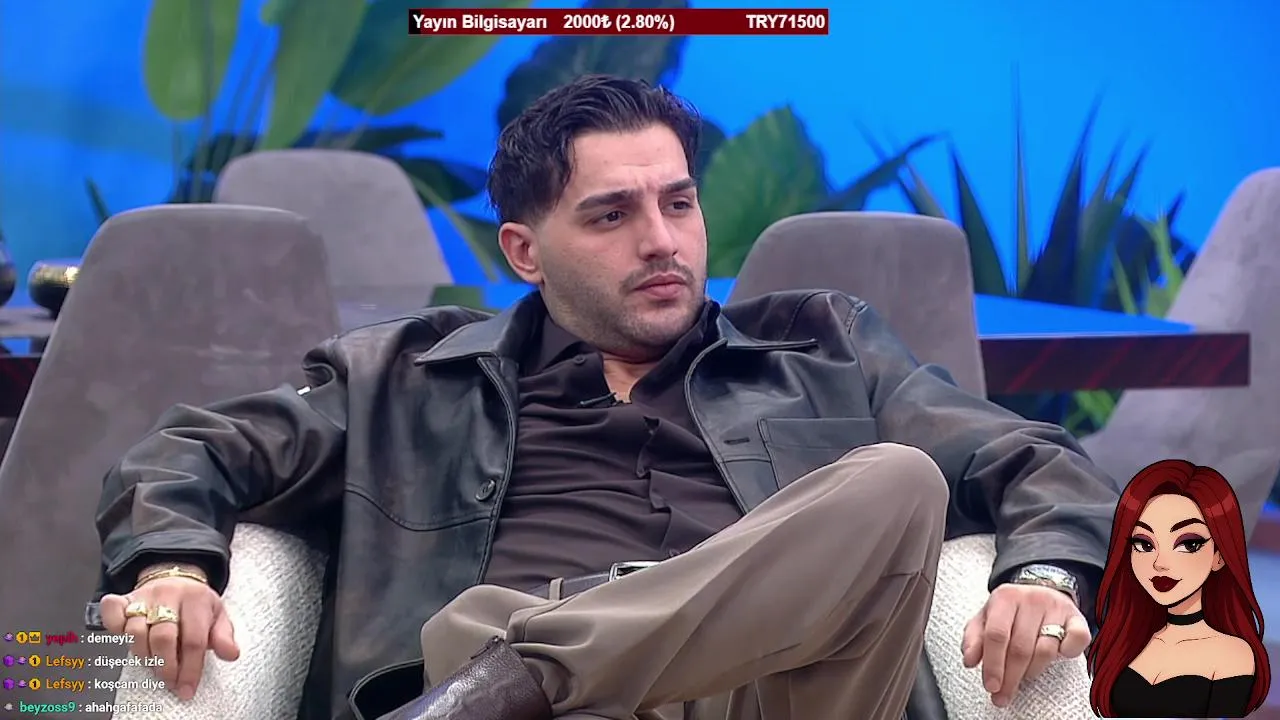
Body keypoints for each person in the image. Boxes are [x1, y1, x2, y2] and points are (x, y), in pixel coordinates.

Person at [92, 74, 1119, 720]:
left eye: (678, 202)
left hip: (765, 695)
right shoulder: (404, 373)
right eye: (612, 215)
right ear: (524, 251)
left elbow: (1037, 461)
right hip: (500, 647)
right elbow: (190, 450)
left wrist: (1042, 575)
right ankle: (520, 671)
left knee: (895, 481)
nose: (663, 241)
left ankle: (519, 679)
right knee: (484, 624)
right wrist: (174, 566)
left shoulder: (821, 347)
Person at [1086, 459, 1271, 718]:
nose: (1160, 564)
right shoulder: (1120, 639)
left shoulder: (1233, 655)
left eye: (1188, 544)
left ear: (1219, 555)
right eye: (1144, 544)